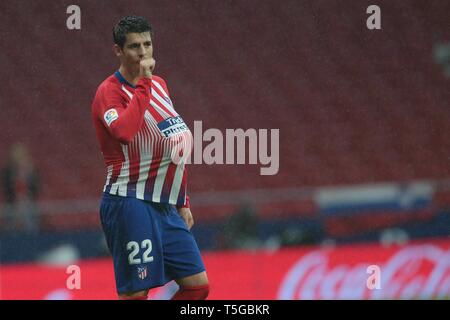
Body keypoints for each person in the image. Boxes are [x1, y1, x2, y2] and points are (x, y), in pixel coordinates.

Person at [91, 16, 209, 300]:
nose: (143, 52)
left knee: (198, 286)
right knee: (137, 294)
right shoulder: (109, 92)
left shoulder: (160, 85)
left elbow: (172, 142)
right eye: (134, 46)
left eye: (147, 44)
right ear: (118, 50)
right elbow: (124, 132)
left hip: (165, 204)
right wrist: (142, 84)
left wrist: (183, 200)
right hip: (129, 201)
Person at [1, 142, 40, 233]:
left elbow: (36, 188)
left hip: (28, 204)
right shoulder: (8, 171)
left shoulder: (32, 170)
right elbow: (6, 188)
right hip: (12, 205)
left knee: (30, 228)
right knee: (9, 229)